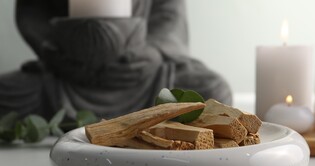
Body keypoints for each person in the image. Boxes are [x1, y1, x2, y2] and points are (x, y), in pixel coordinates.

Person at [0, 0, 232, 120]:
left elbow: (170, 15)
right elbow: (31, 12)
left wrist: (154, 52)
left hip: (140, 74)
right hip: (68, 74)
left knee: (212, 90)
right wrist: (50, 49)